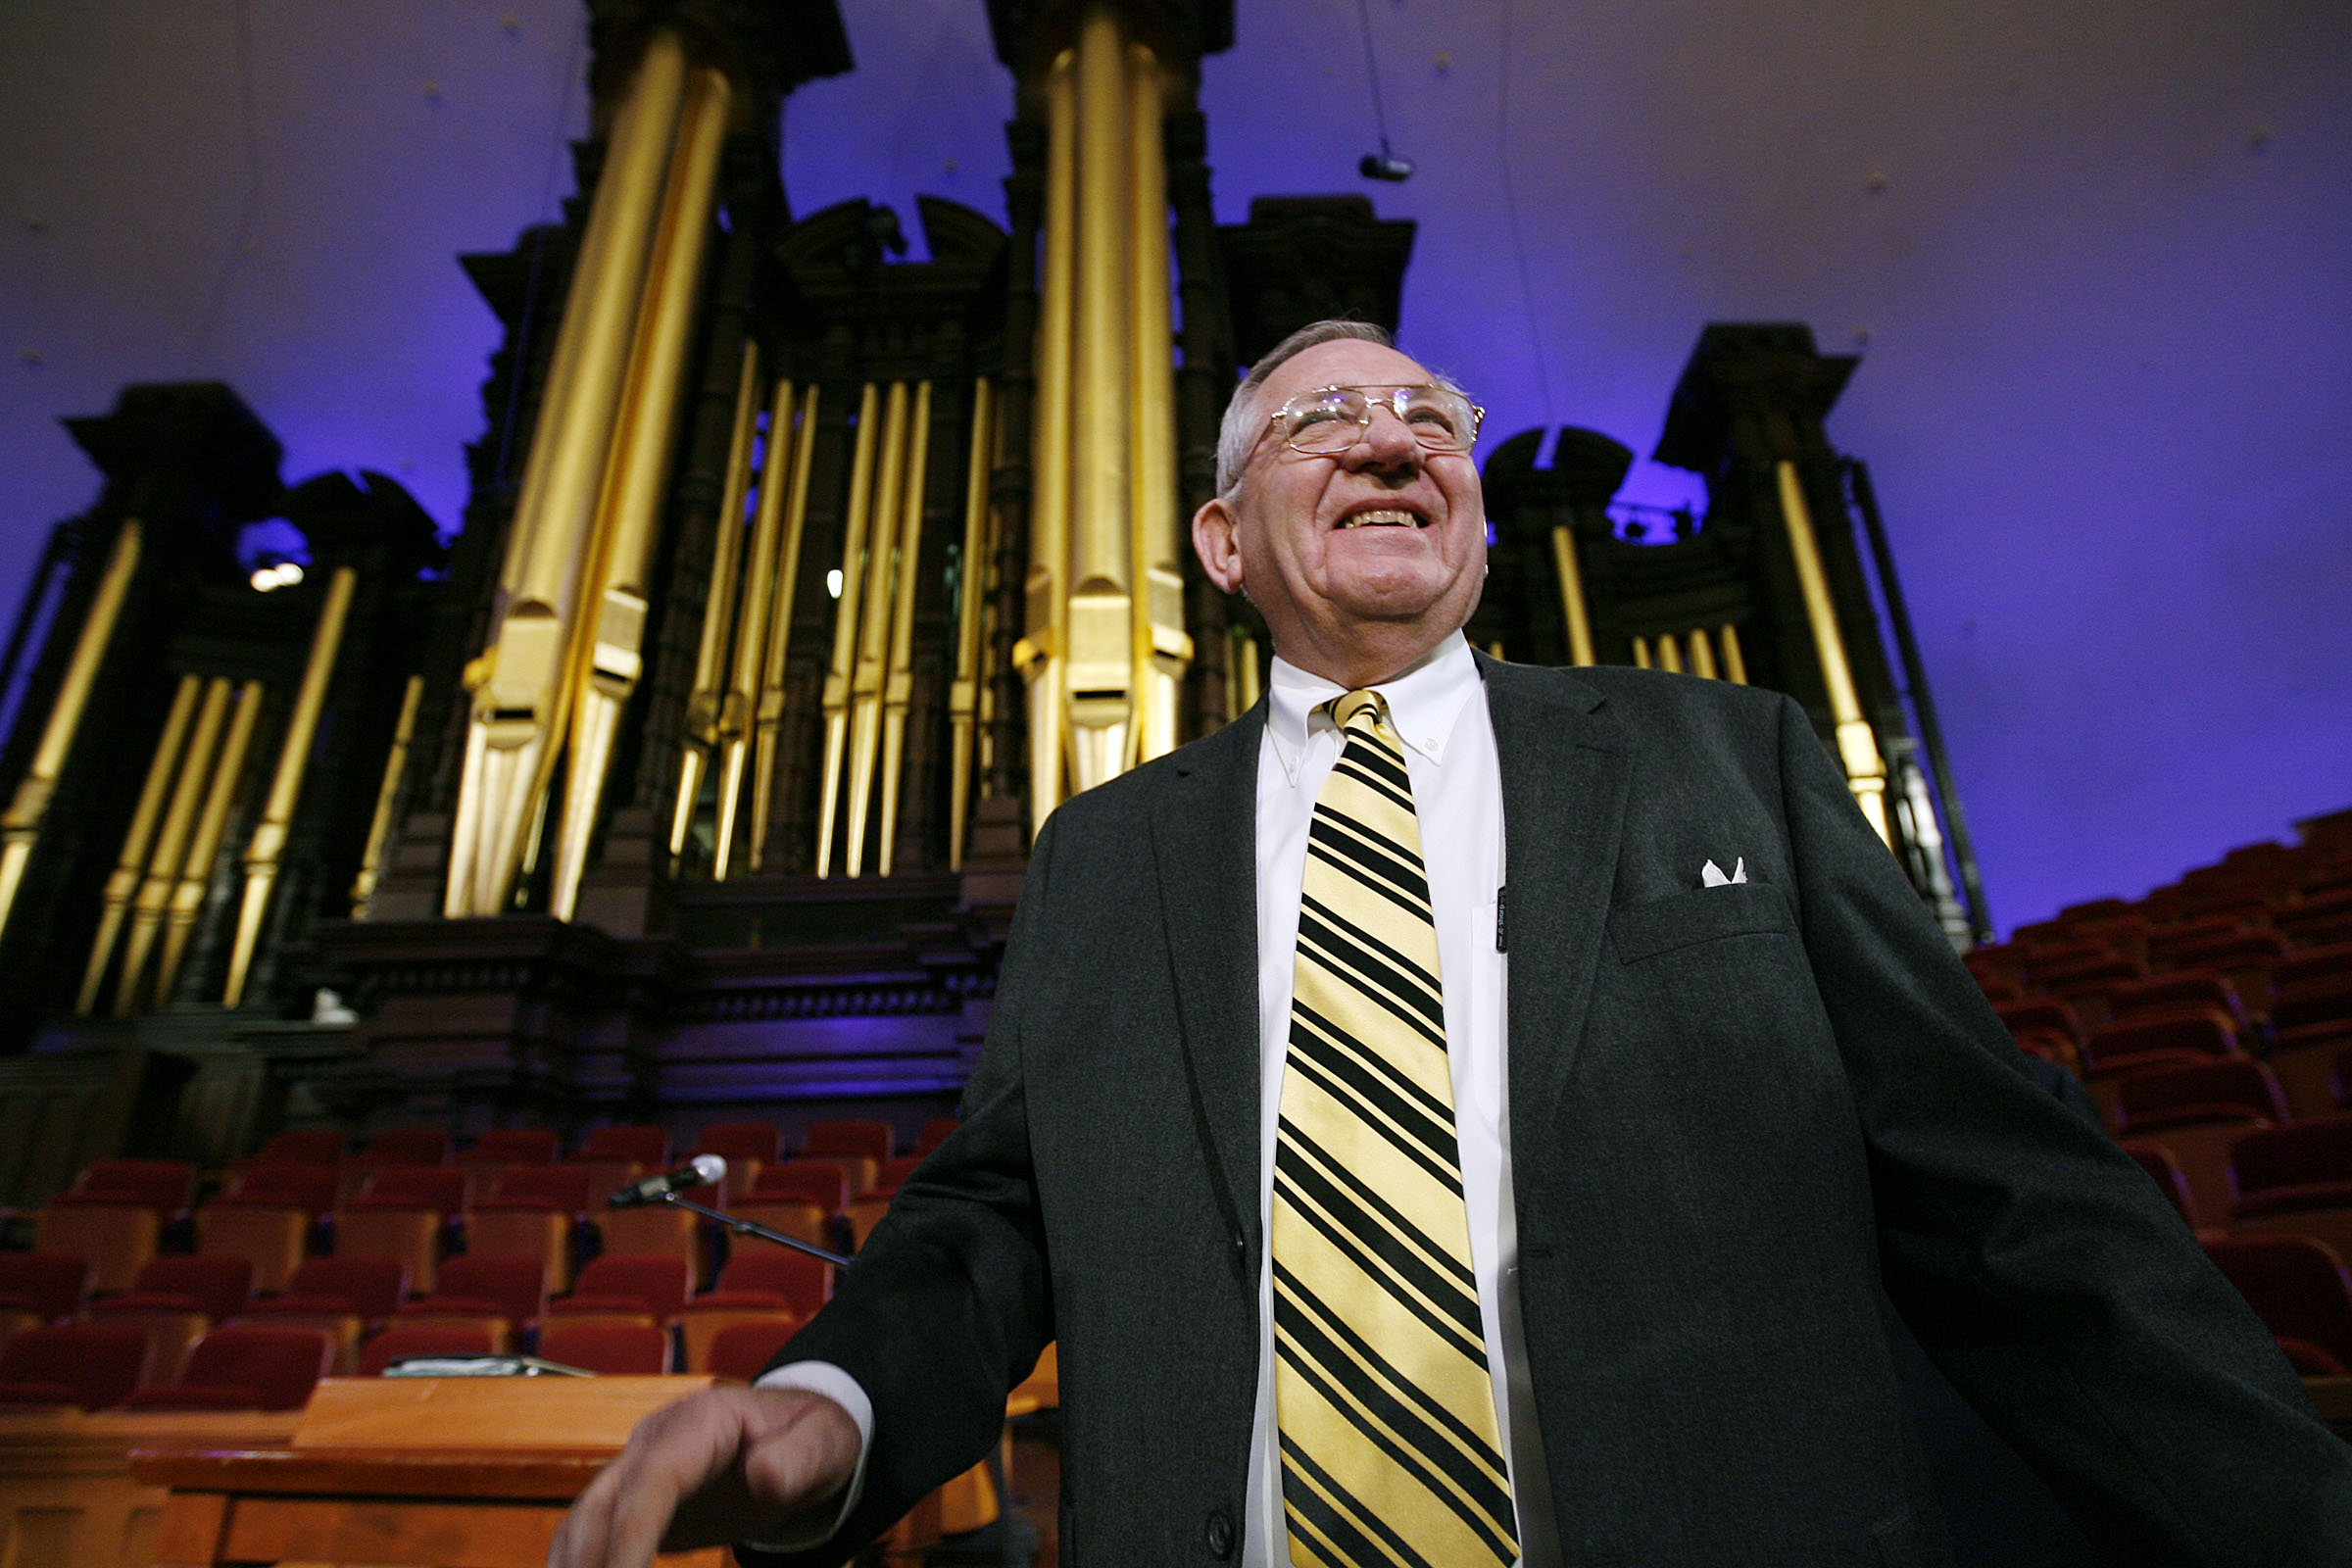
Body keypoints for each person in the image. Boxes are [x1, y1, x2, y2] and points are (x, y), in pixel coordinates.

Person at [550, 322, 2352, 1568]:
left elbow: (2015, 1195)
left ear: (1475, 516)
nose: (1400, 436)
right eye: (1324, 422)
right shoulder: (1106, 860)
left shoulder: (1723, 754)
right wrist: (826, 1409)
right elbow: (996, 1215)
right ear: (1221, 539)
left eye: (1434, 415)